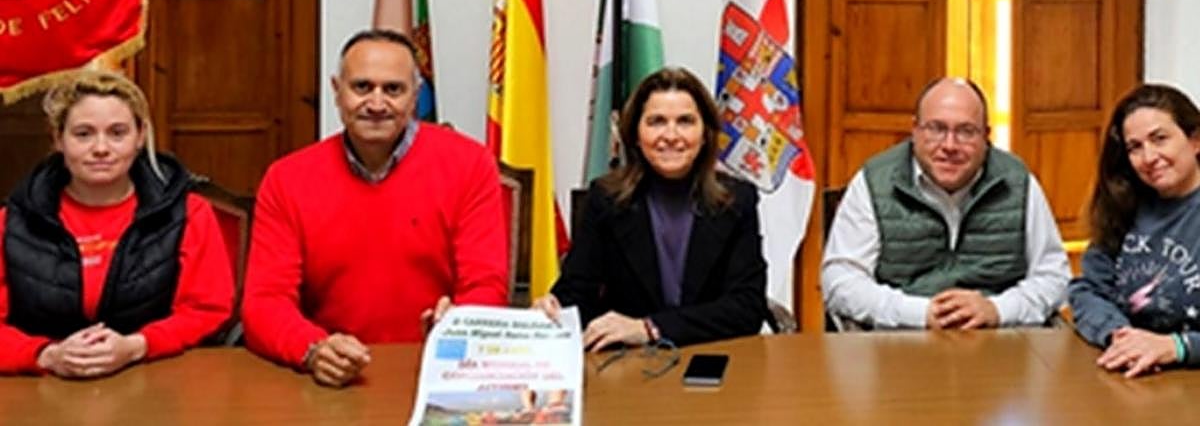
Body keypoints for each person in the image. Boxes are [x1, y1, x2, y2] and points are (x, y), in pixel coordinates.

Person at [242, 29, 509, 387]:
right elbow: (265, 302)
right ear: (337, 92)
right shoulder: (286, 179)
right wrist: (314, 349)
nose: (377, 103)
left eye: (393, 89)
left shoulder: (470, 164)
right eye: (362, 87)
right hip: (330, 378)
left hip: (437, 372)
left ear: (416, 97)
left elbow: (487, 285)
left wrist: (458, 326)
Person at [0, 70, 233, 377]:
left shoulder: (189, 212)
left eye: (117, 133)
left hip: (158, 381)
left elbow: (207, 309)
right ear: (58, 139)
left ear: (140, 136)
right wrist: (47, 355)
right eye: (83, 134)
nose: (100, 148)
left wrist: (138, 346)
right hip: (41, 386)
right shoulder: (12, 222)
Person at [533, 67, 768, 348]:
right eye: (656, 121)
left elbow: (747, 308)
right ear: (634, 134)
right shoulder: (605, 199)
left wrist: (651, 328)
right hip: (628, 366)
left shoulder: (737, 200)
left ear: (705, 133)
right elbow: (577, 291)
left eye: (685, 121)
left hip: (713, 359)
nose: (671, 135)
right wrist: (552, 308)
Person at [822, 77, 1070, 329]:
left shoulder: (1018, 182)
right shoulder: (874, 181)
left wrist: (997, 309)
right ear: (915, 130)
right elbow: (841, 280)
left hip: (1002, 344)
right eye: (936, 128)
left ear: (986, 136)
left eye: (966, 131)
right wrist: (921, 313)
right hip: (900, 345)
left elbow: (1054, 277)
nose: (950, 145)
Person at [1069, 84, 1200, 378]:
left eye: (1160, 139)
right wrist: (1119, 336)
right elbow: (1088, 290)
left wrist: (1177, 347)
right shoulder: (1124, 206)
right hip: (1133, 373)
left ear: (1195, 141)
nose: (1149, 157)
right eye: (1135, 147)